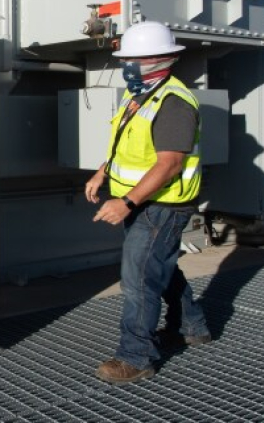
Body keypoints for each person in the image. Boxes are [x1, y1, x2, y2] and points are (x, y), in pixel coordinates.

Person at [83, 20, 211, 384]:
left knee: (139, 276)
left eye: (135, 59)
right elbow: (124, 145)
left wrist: (126, 201)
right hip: (142, 201)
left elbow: (168, 164)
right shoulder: (138, 96)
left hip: (163, 204)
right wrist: (101, 173)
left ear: (162, 59)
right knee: (158, 266)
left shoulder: (172, 102)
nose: (128, 66)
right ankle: (192, 324)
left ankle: (136, 357)